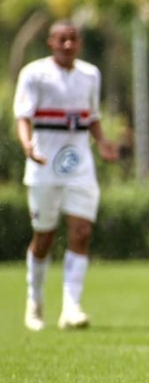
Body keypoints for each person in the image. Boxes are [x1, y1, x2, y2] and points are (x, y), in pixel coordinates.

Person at [13, 20, 119, 331]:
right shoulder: (34, 74)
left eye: (73, 39)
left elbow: (92, 118)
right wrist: (27, 145)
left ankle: (71, 307)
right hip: (43, 164)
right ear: (50, 43)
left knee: (82, 232)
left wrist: (102, 144)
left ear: (80, 43)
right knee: (44, 236)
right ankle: (35, 302)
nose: (68, 45)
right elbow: (23, 117)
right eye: (62, 39)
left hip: (79, 165)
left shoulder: (90, 74)